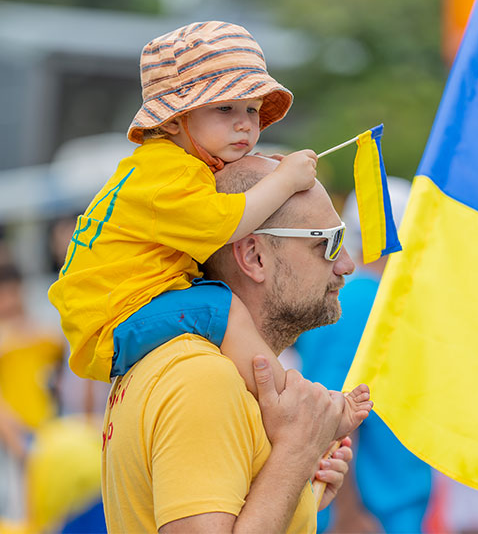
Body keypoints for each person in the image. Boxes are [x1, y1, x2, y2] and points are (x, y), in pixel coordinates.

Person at [48, 21, 370, 440]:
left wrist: (268, 171)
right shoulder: (167, 173)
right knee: (225, 309)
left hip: (122, 313)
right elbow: (226, 222)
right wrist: (284, 180)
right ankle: (294, 407)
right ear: (175, 120)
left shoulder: (173, 167)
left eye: (252, 110)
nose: (245, 125)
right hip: (115, 320)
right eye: (225, 108)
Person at [102, 155, 358, 532]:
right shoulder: (201, 379)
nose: (347, 264)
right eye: (330, 242)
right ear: (254, 257)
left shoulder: (189, 368)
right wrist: (296, 453)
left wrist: (299, 490)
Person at [295, 177, 434, 533]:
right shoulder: (360, 304)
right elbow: (332, 414)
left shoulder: (369, 299)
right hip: (369, 517)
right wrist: (349, 515)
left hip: (390, 512)